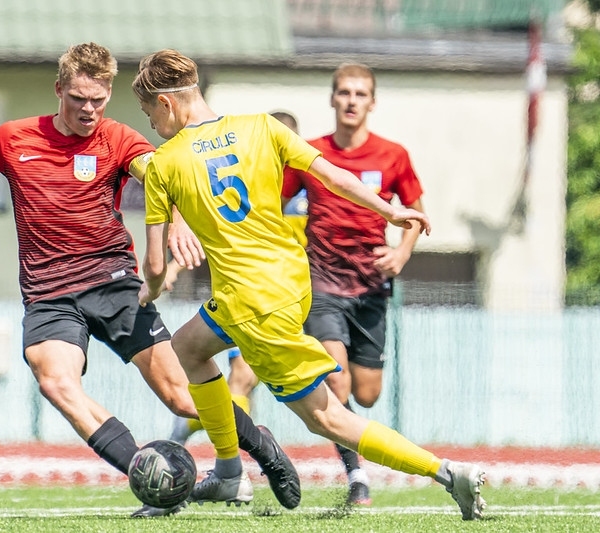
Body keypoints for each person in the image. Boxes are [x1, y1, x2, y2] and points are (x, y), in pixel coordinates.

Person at [0, 42, 300, 518]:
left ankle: (262, 448)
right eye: (78, 98)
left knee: (181, 396)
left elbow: (163, 179)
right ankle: (151, 477)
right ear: (59, 90)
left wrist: (178, 219)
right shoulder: (12, 139)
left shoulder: (118, 138)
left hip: (115, 284)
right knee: (54, 380)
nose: (89, 110)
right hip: (49, 295)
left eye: (98, 100)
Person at [132, 49, 486, 520]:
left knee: (327, 417)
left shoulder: (164, 163)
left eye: (148, 112)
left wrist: (150, 292)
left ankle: (447, 473)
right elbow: (332, 175)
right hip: (293, 280)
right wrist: (389, 211)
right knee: (189, 347)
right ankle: (228, 472)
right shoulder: (262, 125)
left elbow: (156, 262)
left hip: (251, 302)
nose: (152, 123)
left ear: (166, 102)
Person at [281, 62, 424, 505]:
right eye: (344, 92)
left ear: (372, 103)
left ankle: (354, 448)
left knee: (367, 392)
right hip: (322, 284)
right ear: (332, 99)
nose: (351, 101)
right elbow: (272, 202)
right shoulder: (312, 153)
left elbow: (416, 212)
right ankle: (356, 474)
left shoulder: (393, 155)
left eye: (360, 94)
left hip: (370, 289)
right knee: (337, 383)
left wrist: (400, 253)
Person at [168, 110, 302, 445]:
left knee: (341, 392)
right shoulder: (244, 185)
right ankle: (228, 464)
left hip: (298, 294)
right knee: (241, 379)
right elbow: (211, 231)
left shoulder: (306, 188)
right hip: (248, 295)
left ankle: (195, 432)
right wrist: (172, 268)